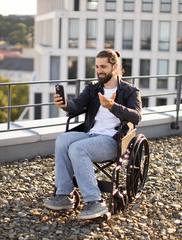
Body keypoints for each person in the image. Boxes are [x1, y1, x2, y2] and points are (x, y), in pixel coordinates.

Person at [43, 49, 142, 220]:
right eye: (97, 66)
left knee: (77, 149)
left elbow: (136, 117)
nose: (99, 70)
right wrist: (65, 104)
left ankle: (95, 201)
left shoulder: (130, 91)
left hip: (113, 141)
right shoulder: (93, 88)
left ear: (115, 66)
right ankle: (65, 195)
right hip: (91, 134)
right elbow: (77, 105)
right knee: (62, 140)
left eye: (103, 66)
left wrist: (112, 106)